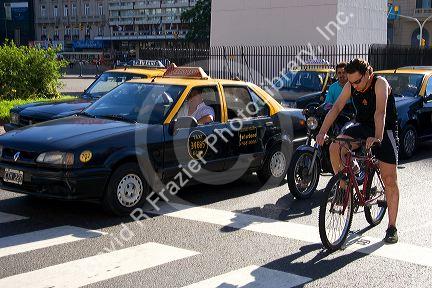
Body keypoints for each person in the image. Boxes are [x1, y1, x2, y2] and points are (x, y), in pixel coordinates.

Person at [316, 59, 400, 244]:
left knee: (389, 180)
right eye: (351, 82)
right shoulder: (351, 85)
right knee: (335, 147)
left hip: (384, 130)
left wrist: (377, 137)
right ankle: (346, 181)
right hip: (362, 126)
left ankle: (392, 227)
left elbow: (380, 113)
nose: (354, 86)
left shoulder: (380, 84)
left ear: (368, 74)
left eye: (357, 81)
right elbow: (337, 107)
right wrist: (322, 132)